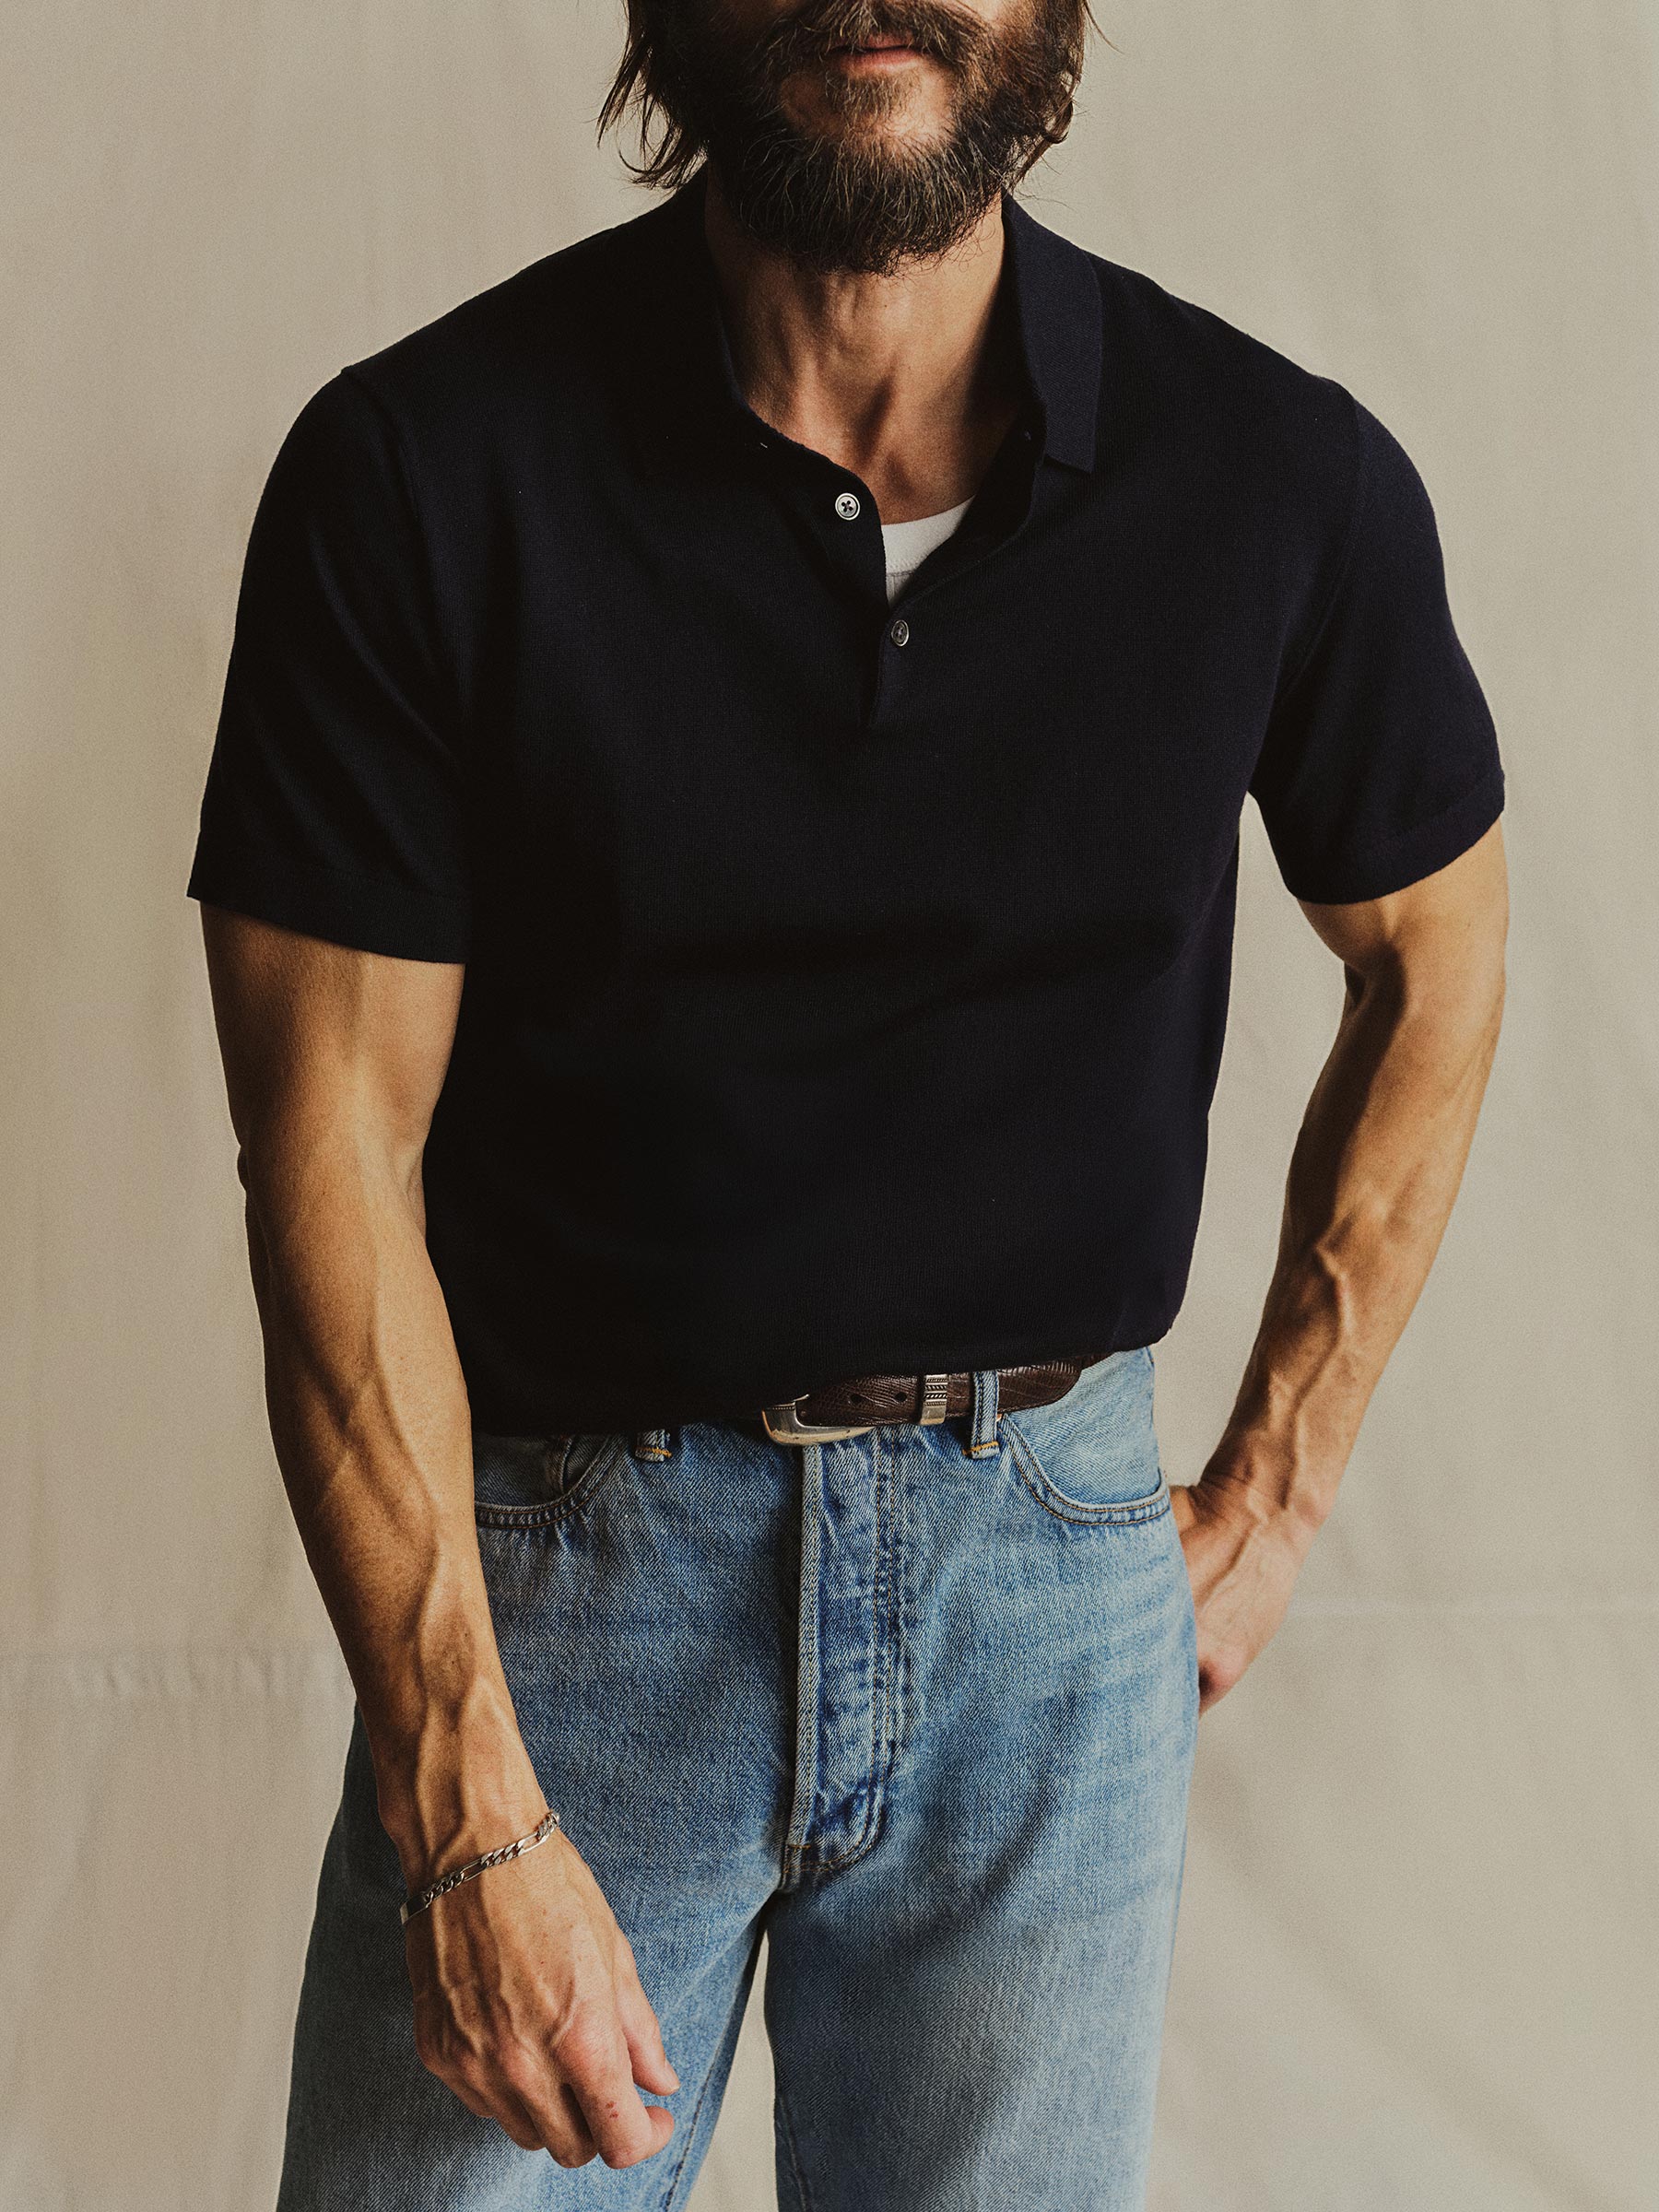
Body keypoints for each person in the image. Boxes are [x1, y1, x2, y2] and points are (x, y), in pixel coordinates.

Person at [187, 1, 1510, 2205]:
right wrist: (460, 1795)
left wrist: (1278, 1488)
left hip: (1051, 1586)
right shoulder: (423, 468)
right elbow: (329, 1140)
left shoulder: (1275, 476)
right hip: (572, 1594)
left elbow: (1437, 950)